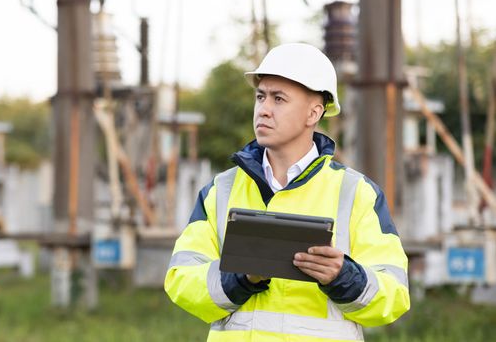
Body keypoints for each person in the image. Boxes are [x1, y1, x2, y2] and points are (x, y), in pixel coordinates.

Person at [164, 43, 410, 342]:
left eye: (279, 99)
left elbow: (394, 296)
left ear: (313, 112)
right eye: (260, 96)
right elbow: (181, 281)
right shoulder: (221, 190)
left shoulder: (356, 193)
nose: (264, 110)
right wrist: (242, 276)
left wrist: (342, 275)